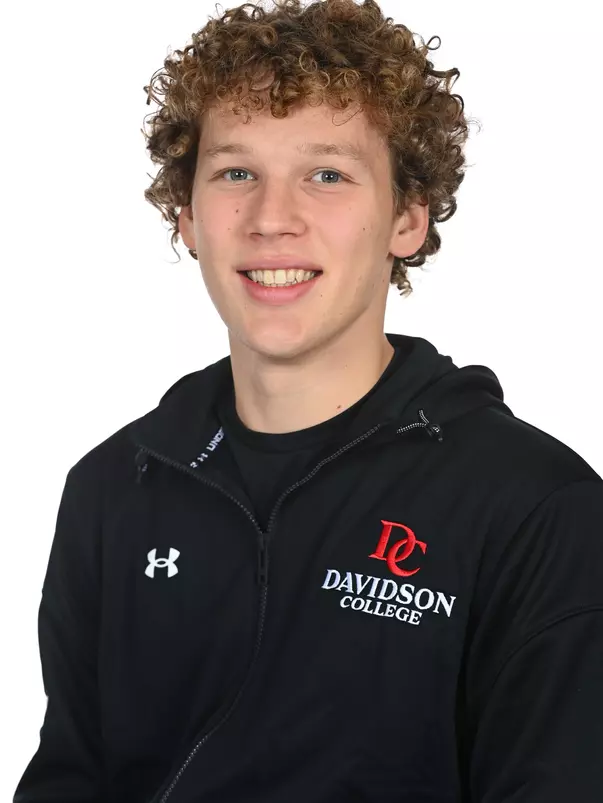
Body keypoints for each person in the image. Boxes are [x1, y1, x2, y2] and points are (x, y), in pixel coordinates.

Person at [13, 0, 603, 801]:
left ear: (406, 217)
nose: (271, 219)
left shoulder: (535, 506)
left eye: (326, 174)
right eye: (235, 173)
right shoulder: (114, 488)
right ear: (187, 217)